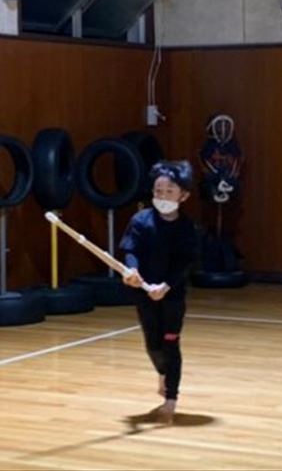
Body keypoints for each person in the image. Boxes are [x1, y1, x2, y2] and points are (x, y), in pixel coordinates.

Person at [120, 160, 199, 422]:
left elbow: (184, 263)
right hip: (144, 294)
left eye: (169, 192)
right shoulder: (140, 221)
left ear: (183, 196)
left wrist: (165, 286)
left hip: (172, 295)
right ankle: (163, 373)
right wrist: (132, 271)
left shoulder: (187, 228)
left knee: (170, 343)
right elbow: (130, 250)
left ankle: (171, 398)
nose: (162, 197)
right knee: (153, 345)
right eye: (158, 191)